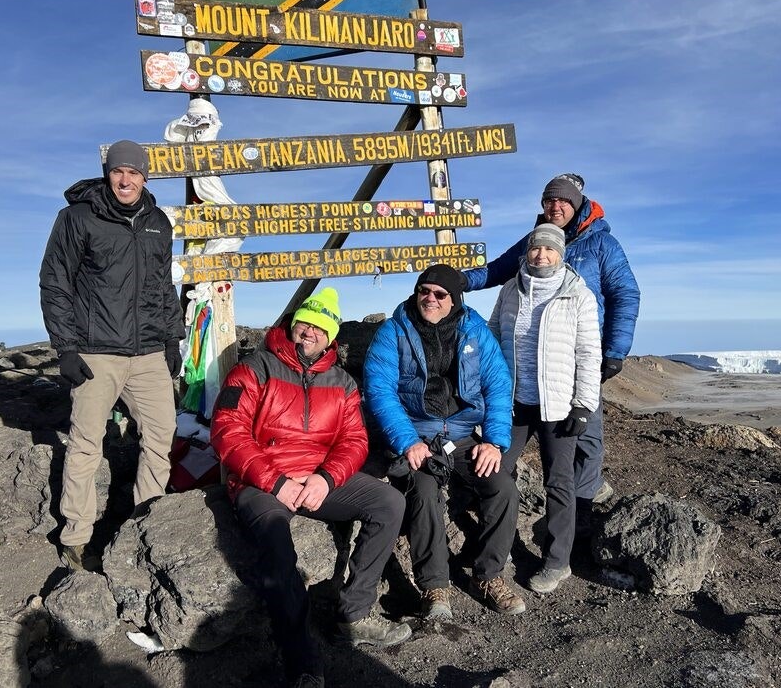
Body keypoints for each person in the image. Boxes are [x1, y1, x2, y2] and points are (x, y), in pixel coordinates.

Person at [210, 288, 411, 688]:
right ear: (292, 323)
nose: (309, 333)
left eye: (320, 328)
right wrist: (275, 481)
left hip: (318, 479)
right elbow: (227, 431)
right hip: (261, 482)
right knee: (276, 543)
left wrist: (327, 478)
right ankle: (302, 660)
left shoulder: (343, 383)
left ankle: (351, 617)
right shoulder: (254, 368)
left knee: (388, 502)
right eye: (305, 323)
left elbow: (354, 441)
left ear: (331, 336)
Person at [39, 140, 183, 571]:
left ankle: (146, 521)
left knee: (161, 436)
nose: (126, 180)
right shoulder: (77, 217)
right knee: (85, 445)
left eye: (134, 173)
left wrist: (172, 340)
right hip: (95, 352)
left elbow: (163, 286)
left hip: (148, 354)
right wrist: (65, 348)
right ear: (108, 173)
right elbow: (55, 282)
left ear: (145, 177)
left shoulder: (158, 222)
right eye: (119, 172)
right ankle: (77, 537)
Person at [464, 173, 639, 521]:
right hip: (530, 361)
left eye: (562, 201)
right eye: (549, 201)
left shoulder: (602, 244)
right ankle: (518, 506)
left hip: (577, 356)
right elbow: (497, 270)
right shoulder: (535, 240)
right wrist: (459, 280)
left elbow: (625, 293)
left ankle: (581, 512)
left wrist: (616, 351)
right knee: (533, 433)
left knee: (585, 434)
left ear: (576, 204)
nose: (555, 206)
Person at [363, 265, 525, 620]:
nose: (430, 299)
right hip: (418, 434)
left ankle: (488, 576)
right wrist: (407, 440)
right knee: (423, 492)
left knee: (503, 489)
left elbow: (498, 385)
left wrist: (495, 441)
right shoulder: (394, 331)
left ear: (454, 300)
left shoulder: (475, 330)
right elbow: (380, 391)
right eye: (424, 290)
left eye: (439, 294)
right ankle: (435, 585)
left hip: (465, 435)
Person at [488, 224, 601, 593]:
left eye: (550, 249)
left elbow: (588, 353)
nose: (542, 255)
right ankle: (496, 548)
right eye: (536, 248)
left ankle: (557, 561)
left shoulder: (577, 295)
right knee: (495, 472)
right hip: (515, 403)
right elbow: (492, 337)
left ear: (561, 254)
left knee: (559, 482)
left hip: (558, 405)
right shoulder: (510, 290)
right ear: (528, 251)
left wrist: (583, 405)